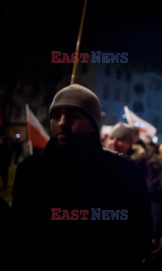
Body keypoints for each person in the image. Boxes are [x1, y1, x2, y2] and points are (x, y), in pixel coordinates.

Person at [11, 84, 152, 267]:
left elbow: (139, 235)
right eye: (56, 115)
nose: (62, 122)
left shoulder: (122, 171)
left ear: (93, 124)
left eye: (73, 116)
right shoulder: (30, 171)